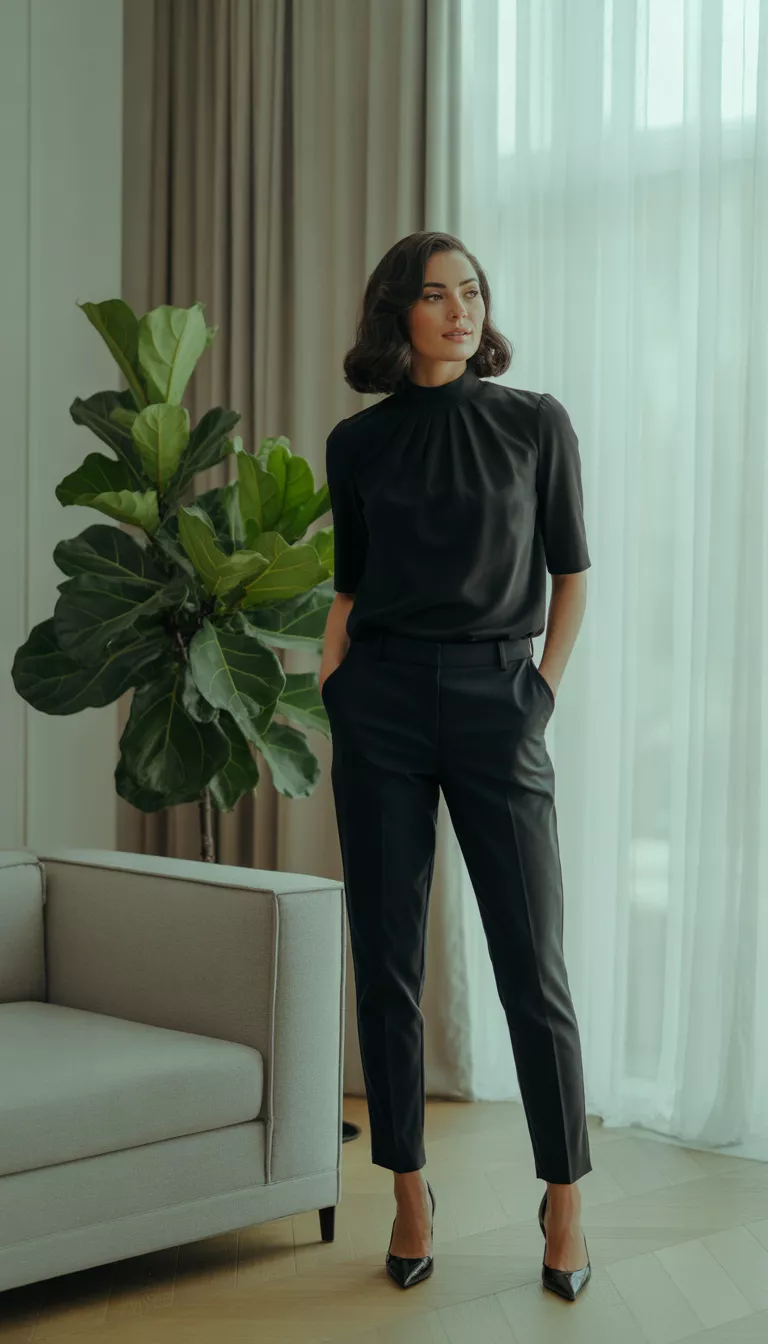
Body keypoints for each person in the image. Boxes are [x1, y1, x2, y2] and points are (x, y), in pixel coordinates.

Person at [320, 231, 592, 1300]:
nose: (460, 309)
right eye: (436, 295)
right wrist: (334, 682)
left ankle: (564, 1198)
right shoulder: (359, 444)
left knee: (535, 965)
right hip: (379, 701)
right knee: (387, 963)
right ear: (399, 314)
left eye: (471, 292)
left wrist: (542, 696)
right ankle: (408, 1190)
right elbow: (351, 582)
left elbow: (570, 573)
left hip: (498, 700)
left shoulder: (535, 423)